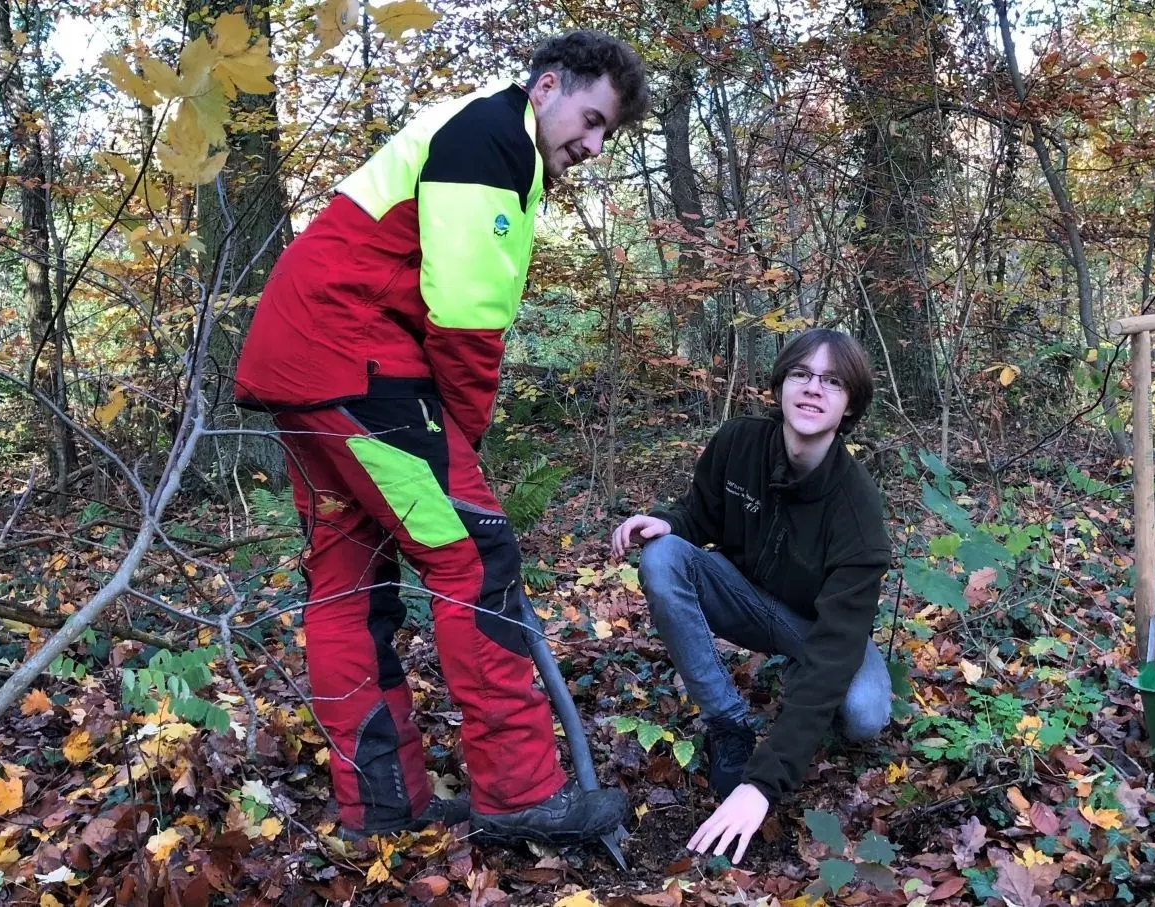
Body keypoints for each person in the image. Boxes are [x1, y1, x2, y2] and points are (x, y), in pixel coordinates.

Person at [234, 31, 649, 845]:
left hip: (305, 364)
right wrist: (463, 432)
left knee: (348, 582)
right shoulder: (491, 137)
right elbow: (464, 317)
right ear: (547, 87)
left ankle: (384, 808)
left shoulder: (474, 130)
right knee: (475, 556)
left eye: (608, 133)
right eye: (593, 119)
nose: (595, 146)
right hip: (354, 363)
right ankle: (519, 793)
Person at [610, 328, 893, 864]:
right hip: (741, 598)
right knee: (663, 556)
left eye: (832, 381)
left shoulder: (857, 511)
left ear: (851, 404)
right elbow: (700, 515)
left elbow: (836, 648)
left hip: (813, 630)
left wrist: (762, 784)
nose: (813, 389)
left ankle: (797, 686)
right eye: (801, 374)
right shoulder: (739, 442)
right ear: (780, 384)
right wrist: (670, 522)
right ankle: (728, 722)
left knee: (863, 713)